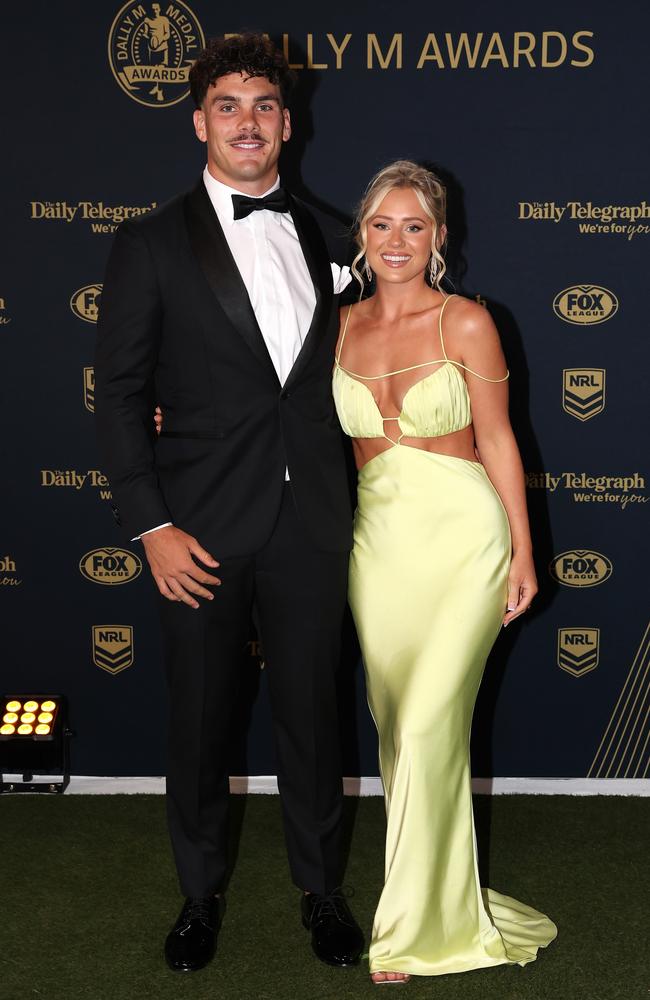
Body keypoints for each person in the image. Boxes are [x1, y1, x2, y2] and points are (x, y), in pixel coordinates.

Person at [94, 33, 363, 974]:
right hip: (197, 529)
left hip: (316, 523)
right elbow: (120, 395)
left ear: (289, 123)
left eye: (263, 106)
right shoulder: (150, 242)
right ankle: (198, 895)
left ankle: (321, 890)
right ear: (198, 120)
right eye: (228, 106)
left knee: (315, 718)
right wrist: (152, 526)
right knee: (201, 719)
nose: (247, 122)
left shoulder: (338, 235)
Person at [332, 160, 557, 984]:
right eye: (383, 225)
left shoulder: (466, 322)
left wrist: (523, 552)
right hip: (379, 548)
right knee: (399, 731)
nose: (398, 240)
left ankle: (413, 929)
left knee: (428, 725)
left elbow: (499, 439)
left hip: (465, 541)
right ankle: (441, 898)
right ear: (361, 236)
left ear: (439, 238)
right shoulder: (339, 327)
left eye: (415, 226)